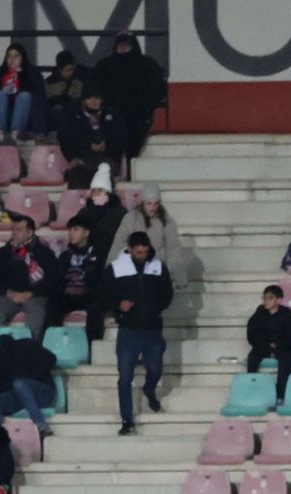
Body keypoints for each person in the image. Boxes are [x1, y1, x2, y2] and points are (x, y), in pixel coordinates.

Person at [104, 231, 174, 435]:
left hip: (152, 329)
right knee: (124, 377)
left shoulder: (158, 267)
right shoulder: (117, 267)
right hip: (128, 331)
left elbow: (167, 293)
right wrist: (119, 305)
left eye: (145, 251)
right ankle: (127, 420)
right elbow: (104, 293)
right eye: (138, 251)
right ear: (131, 249)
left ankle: (149, 389)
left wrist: (154, 308)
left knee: (155, 368)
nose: (142, 255)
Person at [93, 31, 165, 159]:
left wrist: (147, 107)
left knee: (134, 148)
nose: (123, 48)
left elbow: (158, 90)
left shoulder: (148, 65)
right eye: (120, 46)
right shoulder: (104, 66)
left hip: (139, 116)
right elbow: (95, 89)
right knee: (113, 149)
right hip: (111, 115)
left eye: (127, 45)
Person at [0, 214, 59, 339]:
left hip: (35, 296)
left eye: (19, 230)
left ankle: (28, 348)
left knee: (38, 314)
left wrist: (31, 293)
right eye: (13, 230)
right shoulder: (2, 253)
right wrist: (10, 294)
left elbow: (51, 281)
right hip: (8, 296)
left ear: (30, 232)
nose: (14, 233)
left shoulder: (45, 253)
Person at [59, 85, 127, 191]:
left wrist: (106, 146)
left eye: (97, 98)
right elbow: (67, 140)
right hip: (83, 160)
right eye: (90, 98)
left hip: (107, 159)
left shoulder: (112, 114)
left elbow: (121, 139)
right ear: (83, 100)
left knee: (104, 172)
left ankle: (103, 204)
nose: (94, 101)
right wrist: (86, 148)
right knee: (77, 174)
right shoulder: (73, 117)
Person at [0, 43, 44, 144]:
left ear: (23, 58)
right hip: (1, 119)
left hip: (24, 120)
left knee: (24, 96)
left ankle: (14, 136)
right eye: (9, 56)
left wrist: (20, 85)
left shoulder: (32, 74)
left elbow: (40, 99)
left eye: (16, 56)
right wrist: (2, 88)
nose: (12, 59)